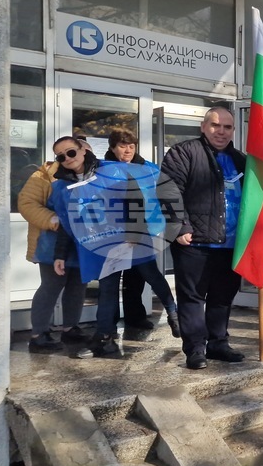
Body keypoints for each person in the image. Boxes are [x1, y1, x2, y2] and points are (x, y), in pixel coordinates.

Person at [51, 136, 181, 359]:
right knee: (107, 289)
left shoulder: (112, 170)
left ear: (83, 151)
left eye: (71, 152)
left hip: (131, 237)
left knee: (150, 273)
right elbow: (67, 220)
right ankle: (104, 338)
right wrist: (60, 254)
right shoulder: (62, 186)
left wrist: (134, 234)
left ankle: (173, 312)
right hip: (102, 244)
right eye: (61, 156)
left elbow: (135, 199)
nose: (67, 158)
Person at [160, 107, 247, 370]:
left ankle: (218, 343)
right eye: (215, 126)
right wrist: (180, 225)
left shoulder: (241, 159)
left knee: (222, 297)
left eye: (227, 127)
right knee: (193, 298)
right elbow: (168, 190)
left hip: (231, 244)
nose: (221, 131)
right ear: (203, 126)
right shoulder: (183, 152)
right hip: (194, 241)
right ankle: (196, 349)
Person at [104, 129, 181, 339]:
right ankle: (108, 327)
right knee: (113, 279)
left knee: (140, 276)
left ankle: (135, 316)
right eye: (122, 146)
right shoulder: (104, 169)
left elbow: (165, 193)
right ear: (112, 147)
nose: (127, 150)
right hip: (114, 232)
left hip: (145, 227)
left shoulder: (149, 168)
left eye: (131, 146)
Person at [17, 155, 86, 353]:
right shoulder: (43, 175)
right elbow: (27, 203)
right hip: (50, 242)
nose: (72, 158)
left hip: (79, 241)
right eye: (66, 153)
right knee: (51, 285)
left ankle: (70, 328)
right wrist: (55, 220)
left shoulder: (88, 176)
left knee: (77, 285)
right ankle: (38, 334)